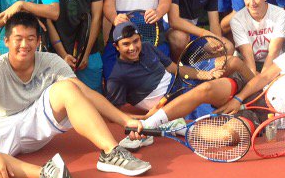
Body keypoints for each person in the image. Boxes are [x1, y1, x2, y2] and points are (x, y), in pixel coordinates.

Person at [0, 11, 151, 178]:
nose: (24, 45)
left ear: (38, 41)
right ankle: (46, 173)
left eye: (30, 39)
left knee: (68, 88)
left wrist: (125, 121)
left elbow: (86, 94)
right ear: (7, 41)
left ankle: (111, 152)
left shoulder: (51, 61)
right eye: (18, 39)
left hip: (34, 122)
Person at [106, 20, 248, 147]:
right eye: (126, 44)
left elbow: (176, 70)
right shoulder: (117, 77)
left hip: (184, 81)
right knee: (226, 131)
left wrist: (203, 74)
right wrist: (144, 119)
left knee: (233, 61)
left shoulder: (147, 47)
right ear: (116, 46)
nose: (133, 47)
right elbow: (111, 113)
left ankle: (260, 93)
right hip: (175, 106)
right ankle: (245, 112)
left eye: (135, 41)